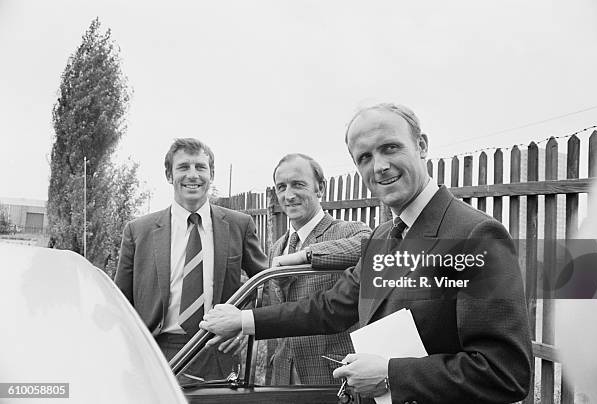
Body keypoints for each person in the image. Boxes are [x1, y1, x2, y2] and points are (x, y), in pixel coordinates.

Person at [201, 103, 532, 403]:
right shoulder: (382, 237)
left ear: (421, 146)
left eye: (390, 148)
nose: (380, 166)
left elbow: (505, 372)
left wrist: (391, 374)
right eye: (365, 157)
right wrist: (241, 321)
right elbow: (329, 309)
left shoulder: (474, 235)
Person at [115, 137, 267, 381]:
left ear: (212, 173)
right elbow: (120, 301)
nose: (193, 175)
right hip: (156, 351)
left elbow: (264, 286)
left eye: (200, 167)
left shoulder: (240, 225)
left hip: (216, 349)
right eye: (184, 167)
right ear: (169, 175)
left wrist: (243, 325)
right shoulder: (138, 231)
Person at [265, 153, 371, 385]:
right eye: (281, 187)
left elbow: (369, 246)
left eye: (298, 184)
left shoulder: (349, 231)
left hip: (331, 375)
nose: (289, 195)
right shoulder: (276, 248)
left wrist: (305, 255)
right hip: (283, 376)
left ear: (320, 188)